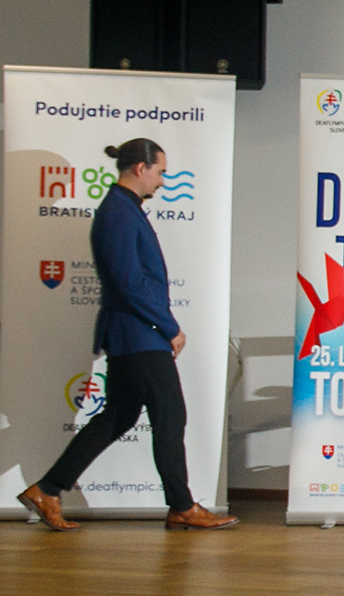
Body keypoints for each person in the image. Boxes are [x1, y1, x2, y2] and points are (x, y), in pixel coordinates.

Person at [18, 138, 236, 532]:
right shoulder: (118, 212)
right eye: (160, 172)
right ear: (140, 168)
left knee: (118, 416)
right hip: (138, 335)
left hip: (133, 333)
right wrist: (169, 327)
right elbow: (128, 282)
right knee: (169, 413)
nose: (163, 181)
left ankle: (47, 489)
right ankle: (182, 506)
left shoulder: (123, 209)